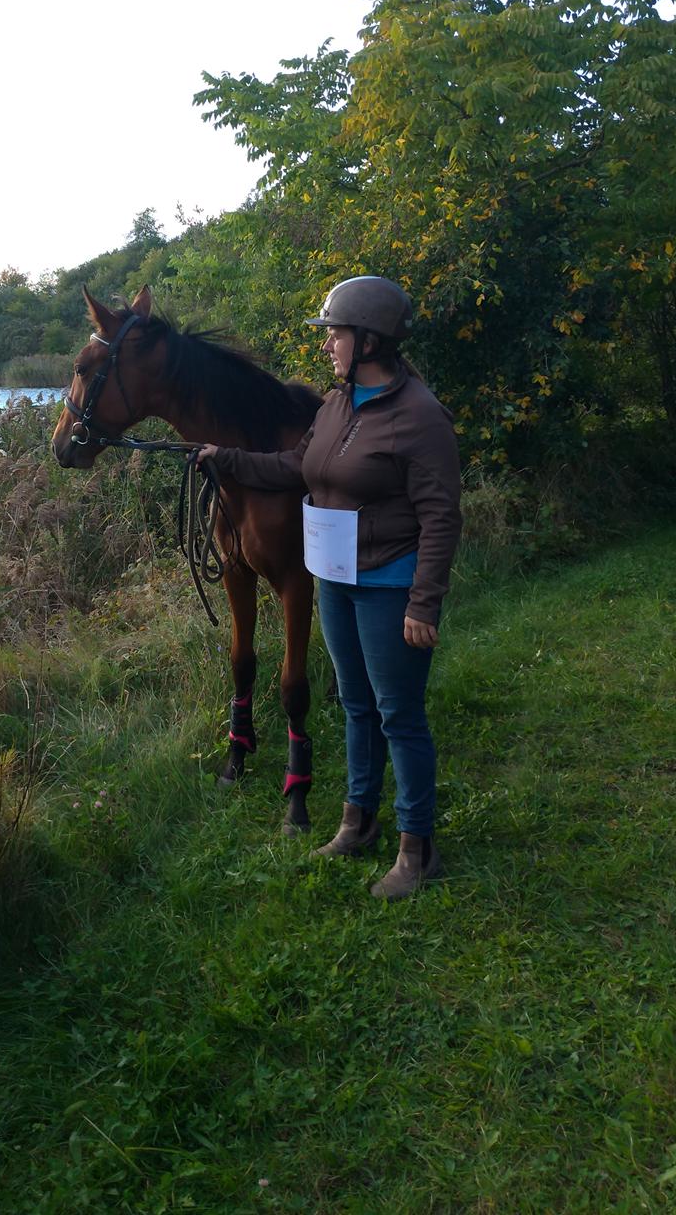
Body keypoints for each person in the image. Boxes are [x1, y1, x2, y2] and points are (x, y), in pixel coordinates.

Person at [198, 276, 462, 899]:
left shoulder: (420, 417)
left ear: (370, 340)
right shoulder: (337, 405)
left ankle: (417, 847)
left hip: (390, 581)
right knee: (354, 703)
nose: (328, 345)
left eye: (336, 334)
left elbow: (441, 515)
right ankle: (358, 820)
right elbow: (297, 467)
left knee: (400, 714)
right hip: (336, 578)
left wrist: (423, 601)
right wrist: (225, 458)